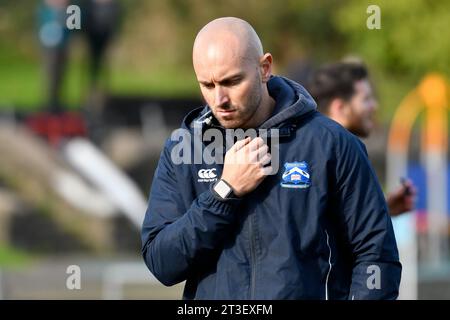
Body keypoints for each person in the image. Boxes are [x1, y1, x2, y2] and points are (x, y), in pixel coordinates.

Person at [141, 17, 401, 299]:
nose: (219, 100)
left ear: (265, 68)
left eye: (232, 81)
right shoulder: (185, 149)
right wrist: (223, 194)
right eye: (208, 85)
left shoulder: (333, 145)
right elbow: (162, 263)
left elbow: (376, 256)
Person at [307, 61, 416, 216]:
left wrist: (382, 209)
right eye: (366, 99)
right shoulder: (320, 157)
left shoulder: (335, 152)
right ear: (340, 107)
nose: (374, 106)